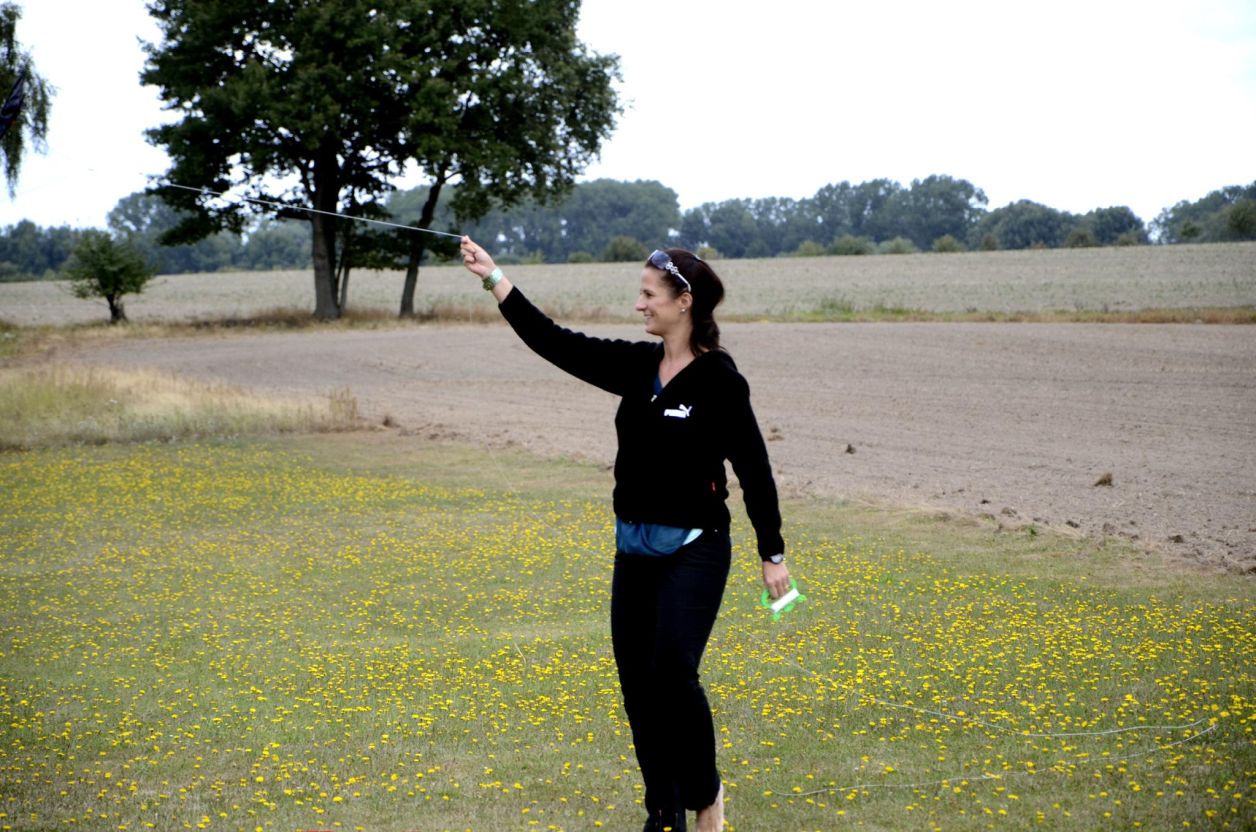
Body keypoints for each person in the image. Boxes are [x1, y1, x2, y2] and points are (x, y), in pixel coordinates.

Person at [460, 237, 791, 832]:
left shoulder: (719, 380)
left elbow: (754, 468)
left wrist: (772, 552)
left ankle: (706, 796)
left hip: (695, 547)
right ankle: (663, 814)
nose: (639, 305)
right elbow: (553, 341)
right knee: (639, 686)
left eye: (648, 294)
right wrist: (494, 278)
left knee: (673, 670)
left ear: (684, 302)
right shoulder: (637, 367)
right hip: (634, 549)